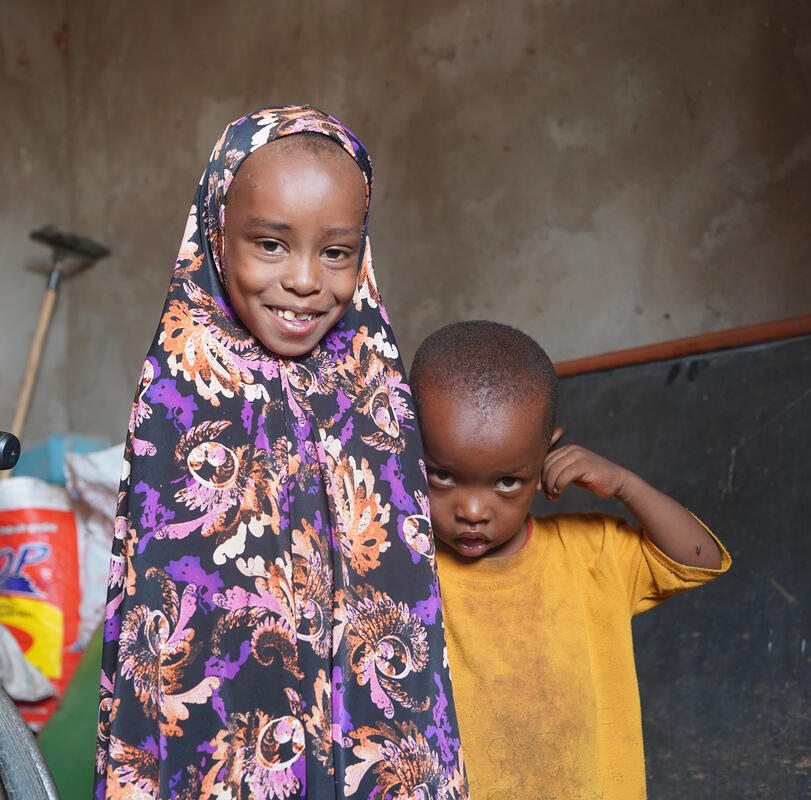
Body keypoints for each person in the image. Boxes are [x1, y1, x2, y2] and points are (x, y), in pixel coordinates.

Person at [96, 106, 469, 800]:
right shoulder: (181, 393)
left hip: (363, 733)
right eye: (271, 244)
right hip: (232, 732)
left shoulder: (376, 391)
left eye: (336, 253)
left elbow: (403, 580)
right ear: (216, 232)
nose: (304, 280)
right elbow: (166, 616)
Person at [409, 320, 730, 800]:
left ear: (547, 454)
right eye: (443, 476)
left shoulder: (590, 552)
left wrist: (626, 485)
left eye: (507, 482)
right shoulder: (401, 566)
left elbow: (698, 558)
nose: (473, 511)